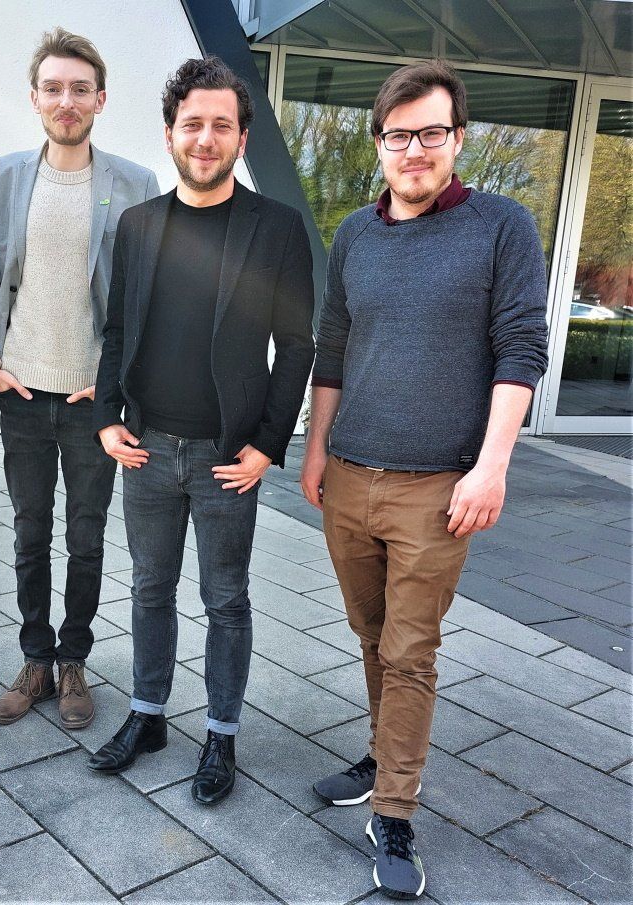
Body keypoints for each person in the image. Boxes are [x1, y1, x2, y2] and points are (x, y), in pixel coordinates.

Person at [300, 60, 548, 899]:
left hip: (438, 491)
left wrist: (492, 465)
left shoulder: (502, 226)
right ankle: (381, 755)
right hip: (348, 477)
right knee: (372, 635)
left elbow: (521, 347)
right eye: (398, 135)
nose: (414, 149)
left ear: (458, 138)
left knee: (410, 652)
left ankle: (394, 810)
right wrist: (315, 449)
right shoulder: (354, 235)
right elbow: (333, 347)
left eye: (431, 132)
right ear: (379, 143)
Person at [88, 56, 315, 803]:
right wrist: (106, 419)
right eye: (193, 124)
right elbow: (117, 330)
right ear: (170, 133)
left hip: (227, 458)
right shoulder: (138, 225)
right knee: (149, 589)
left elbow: (298, 345)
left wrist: (267, 446)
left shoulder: (276, 228)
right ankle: (148, 716)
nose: (206, 138)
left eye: (222, 125)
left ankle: (221, 734)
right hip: (147, 450)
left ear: (242, 138)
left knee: (226, 600)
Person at [0, 28, 159, 729]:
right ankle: (35, 659)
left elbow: (141, 300)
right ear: (35, 98)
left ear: (100, 99)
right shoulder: (2, 176)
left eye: (80, 89)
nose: (67, 100)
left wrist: (113, 386)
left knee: (86, 536)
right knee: (29, 533)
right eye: (53, 88)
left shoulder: (135, 184)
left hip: (91, 399)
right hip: (21, 390)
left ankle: (74, 659)